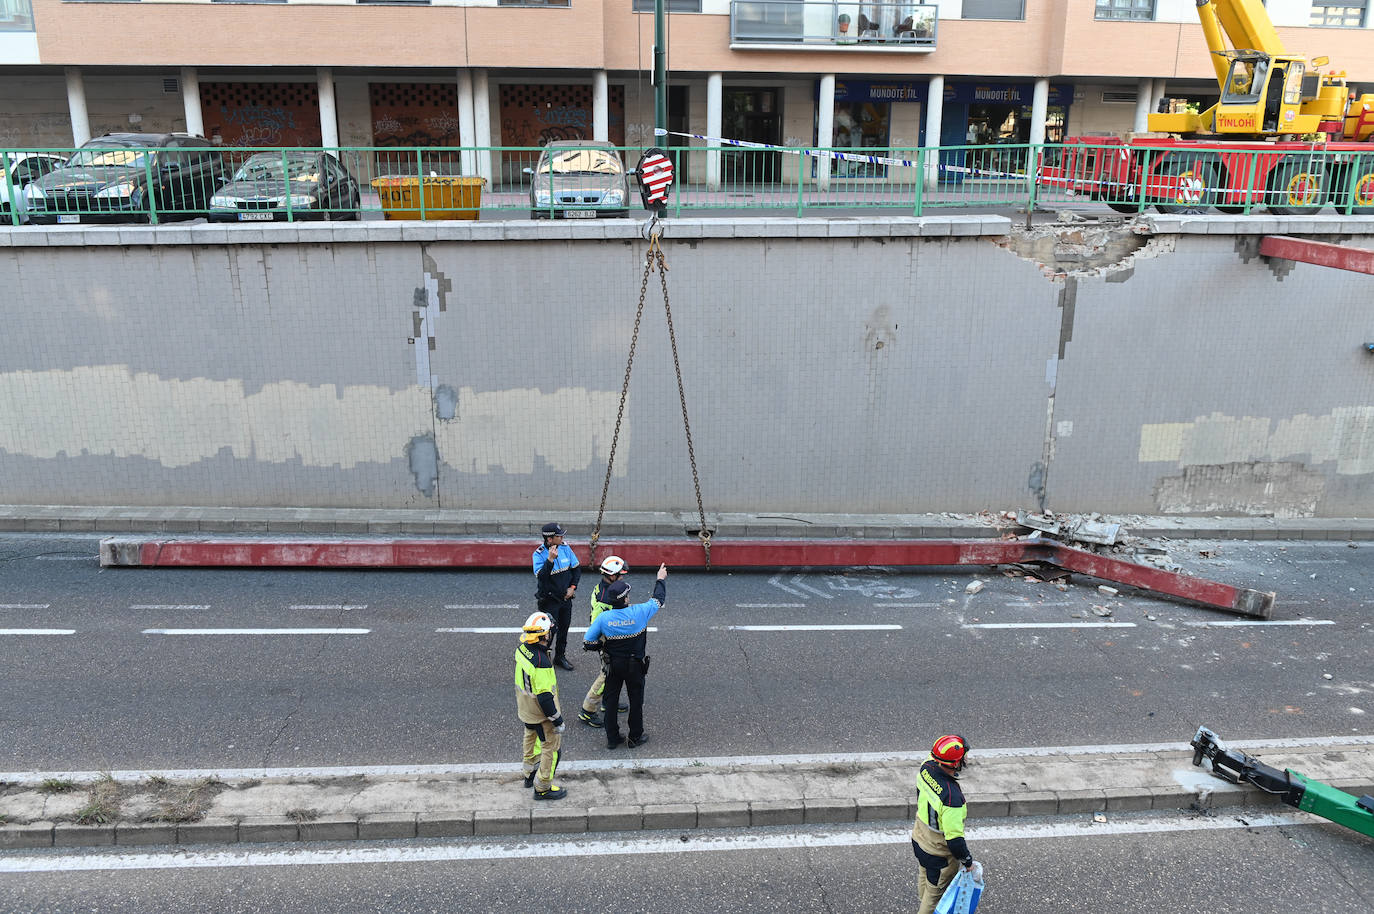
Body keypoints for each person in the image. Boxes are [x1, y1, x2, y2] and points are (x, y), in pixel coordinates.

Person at [582, 562, 668, 750]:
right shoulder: (640, 612)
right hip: (635, 665)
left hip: (613, 665)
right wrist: (660, 579)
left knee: (611, 702)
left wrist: (602, 645)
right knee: (636, 701)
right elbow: (659, 599)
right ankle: (635, 736)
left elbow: (588, 642)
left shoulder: (604, 619)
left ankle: (612, 738)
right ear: (626, 599)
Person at [911, 734, 975, 914]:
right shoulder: (952, 798)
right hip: (938, 853)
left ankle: (921, 900)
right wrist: (967, 861)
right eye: (963, 757)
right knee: (934, 897)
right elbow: (954, 840)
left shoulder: (926, 767)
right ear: (955, 763)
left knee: (924, 875)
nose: (966, 759)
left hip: (919, 839)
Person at [514, 611, 567, 800]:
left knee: (530, 738)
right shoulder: (542, 663)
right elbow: (545, 698)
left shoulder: (522, 649)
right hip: (541, 713)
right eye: (550, 631)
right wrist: (557, 720)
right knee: (551, 749)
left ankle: (529, 775)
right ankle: (542, 787)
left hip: (526, 708)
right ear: (545, 635)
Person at [578, 555, 631, 728]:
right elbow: (598, 623)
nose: (623, 577)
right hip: (606, 638)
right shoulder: (606, 598)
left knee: (612, 673)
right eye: (620, 574)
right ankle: (587, 710)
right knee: (606, 674)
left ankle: (607, 703)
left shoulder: (604, 588)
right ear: (612, 575)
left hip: (607, 635)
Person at [532, 522, 581, 671]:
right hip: (549, 600)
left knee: (564, 629)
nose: (562, 537)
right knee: (548, 631)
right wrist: (550, 560)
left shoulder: (566, 548)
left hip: (565, 598)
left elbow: (576, 570)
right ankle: (542, 657)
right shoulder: (539, 554)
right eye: (559, 536)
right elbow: (542, 577)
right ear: (549, 539)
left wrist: (572, 588)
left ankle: (560, 656)